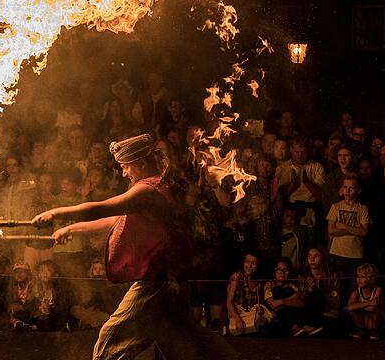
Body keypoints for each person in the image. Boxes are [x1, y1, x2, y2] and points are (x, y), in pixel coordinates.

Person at [31, 134, 236, 360]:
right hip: (172, 282)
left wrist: (56, 213)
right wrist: (72, 229)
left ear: (140, 164)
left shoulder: (147, 191)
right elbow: (116, 220)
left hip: (157, 283)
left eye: (125, 167)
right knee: (185, 337)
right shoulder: (158, 187)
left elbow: (103, 208)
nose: (123, 173)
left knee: (110, 342)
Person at [346, 263, 384, 339]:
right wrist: (369, 303)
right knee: (352, 311)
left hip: (374, 322)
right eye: (358, 276)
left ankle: (375, 330)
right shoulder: (356, 291)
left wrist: (356, 306)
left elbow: (373, 308)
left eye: (362, 277)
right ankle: (361, 329)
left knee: (377, 309)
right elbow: (348, 308)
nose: (359, 279)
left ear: (372, 279)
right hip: (363, 321)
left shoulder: (378, 290)